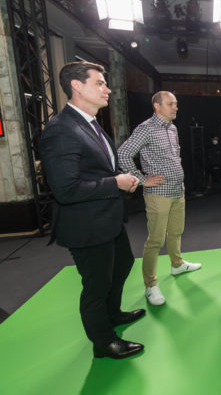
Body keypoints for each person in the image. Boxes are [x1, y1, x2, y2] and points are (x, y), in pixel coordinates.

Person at [40, 61, 144, 359]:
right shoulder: (61, 130)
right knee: (96, 286)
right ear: (76, 86)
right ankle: (104, 342)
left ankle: (112, 314)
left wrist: (119, 178)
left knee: (122, 265)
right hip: (85, 224)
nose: (107, 89)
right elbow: (66, 189)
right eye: (99, 82)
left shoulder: (90, 124)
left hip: (107, 219)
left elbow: (96, 169)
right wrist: (116, 183)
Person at [118, 91, 201, 306]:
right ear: (157, 106)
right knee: (155, 240)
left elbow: (174, 157)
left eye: (176, 104)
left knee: (176, 232)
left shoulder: (172, 128)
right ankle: (150, 284)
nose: (176, 107)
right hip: (158, 193)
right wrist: (142, 180)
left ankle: (177, 264)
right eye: (171, 104)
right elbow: (124, 154)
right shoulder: (146, 128)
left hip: (177, 190)